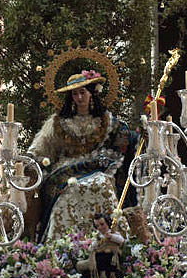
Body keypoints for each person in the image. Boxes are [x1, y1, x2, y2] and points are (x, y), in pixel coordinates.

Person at [27, 70, 138, 242]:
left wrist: (141, 135)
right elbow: (41, 146)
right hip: (65, 171)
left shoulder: (106, 121)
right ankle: (63, 245)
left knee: (103, 184)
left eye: (82, 92)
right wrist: (31, 157)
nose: (79, 97)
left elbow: (126, 138)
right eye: (75, 94)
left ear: (92, 93)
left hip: (98, 169)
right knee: (70, 190)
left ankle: (113, 239)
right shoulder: (59, 122)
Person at [77, 213, 125, 278]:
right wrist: (95, 245)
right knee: (98, 256)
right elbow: (91, 247)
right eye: (97, 226)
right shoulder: (99, 237)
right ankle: (101, 274)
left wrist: (111, 237)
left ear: (107, 223)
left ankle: (111, 274)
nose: (100, 227)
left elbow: (121, 240)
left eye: (102, 224)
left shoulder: (113, 233)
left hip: (112, 256)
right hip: (101, 257)